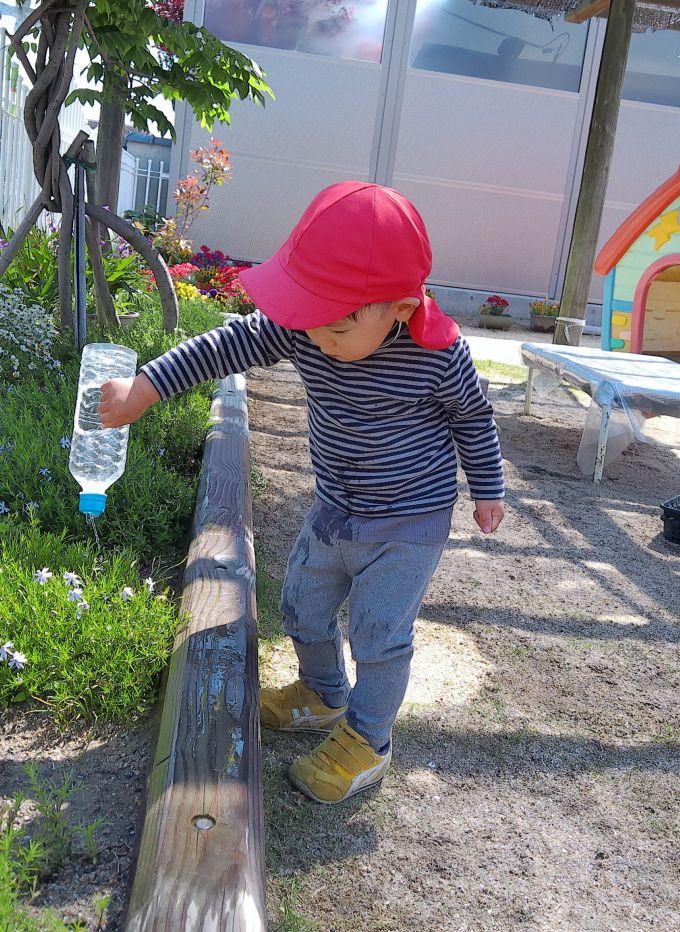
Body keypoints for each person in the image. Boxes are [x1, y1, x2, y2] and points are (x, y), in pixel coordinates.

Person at [98, 181, 505, 804]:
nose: (319, 337)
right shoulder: (306, 327)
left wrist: (487, 488)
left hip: (408, 524)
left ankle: (368, 738)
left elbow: (473, 419)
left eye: (338, 324)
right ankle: (321, 694)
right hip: (335, 507)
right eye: (310, 318)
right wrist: (142, 390)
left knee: (378, 630)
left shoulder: (438, 355)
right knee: (301, 606)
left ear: (398, 307)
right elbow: (223, 345)